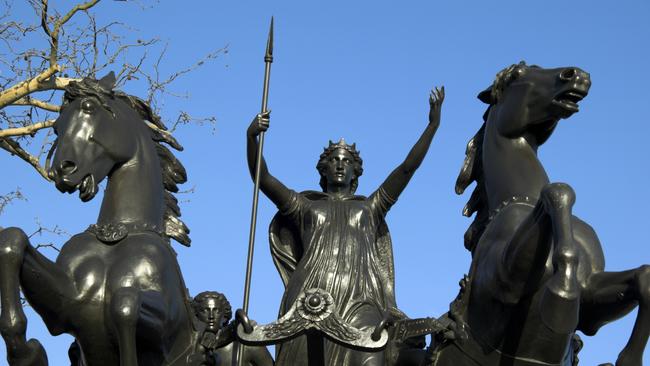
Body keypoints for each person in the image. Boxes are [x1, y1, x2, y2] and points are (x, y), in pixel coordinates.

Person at [246, 87, 444, 366]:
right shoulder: (305, 206)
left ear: (356, 171)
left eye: (346, 161)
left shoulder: (370, 207)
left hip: (361, 298)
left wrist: (432, 126)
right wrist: (251, 137)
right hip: (310, 296)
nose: (340, 165)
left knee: (372, 353)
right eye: (333, 161)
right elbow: (263, 178)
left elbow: (406, 169)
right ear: (323, 169)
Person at [188, 291, 273, 366]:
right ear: (196, 315)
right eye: (205, 310)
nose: (211, 316)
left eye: (216, 310)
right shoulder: (192, 350)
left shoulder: (246, 345)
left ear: (224, 316)